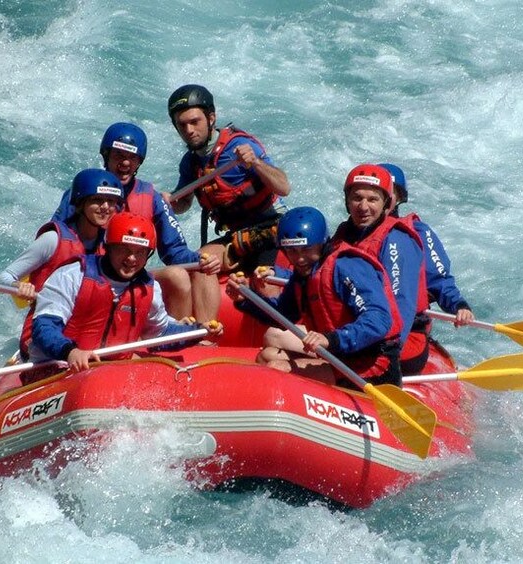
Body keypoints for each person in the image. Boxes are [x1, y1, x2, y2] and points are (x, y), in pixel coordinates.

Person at [226, 207, 403, 388]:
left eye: (306, 249)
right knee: (266, 355)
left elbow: (379, 320)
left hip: (373, 366)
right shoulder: (305, 273)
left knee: (276, 367)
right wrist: (246, 299)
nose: (300, 258)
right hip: (340, 358)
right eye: (292, 251)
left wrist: (331, 339)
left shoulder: (347, 267)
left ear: (322, 243)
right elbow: (284, 315)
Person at [29, 212, 222, 370]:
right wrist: (70, 352)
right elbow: (44, 328)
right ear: (108, 247)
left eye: (140, 252)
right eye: (125, 249)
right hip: (60, 364)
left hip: (110, 368)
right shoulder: (72, 275)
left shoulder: (149, 288)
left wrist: (198, 331)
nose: (132, 259)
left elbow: (159, 335)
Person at [166, 84, 291, 322]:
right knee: (200, 262)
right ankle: (205, 335)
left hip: (271, 230)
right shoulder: (190, 163)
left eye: (195, 122)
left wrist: (255, 163)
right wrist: (168, 201)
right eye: (182, 125)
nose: (189, 130)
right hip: (238, 237)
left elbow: (283, 186)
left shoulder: (238, 146)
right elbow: (183, 203)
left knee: (265, 284)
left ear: (211, 118)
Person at [0, 168, 124, 359]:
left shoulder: (111, 245)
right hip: (44, 332)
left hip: (87, 333)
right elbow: (2, 278)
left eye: (111, 202)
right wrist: (18, 286)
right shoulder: (53, 240)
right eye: (97, 200)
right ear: (81, 203)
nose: (105, 207)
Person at [96, 122, 221, 318]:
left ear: (139, 162)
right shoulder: (84, 191)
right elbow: (62, 237)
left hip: (131, 272)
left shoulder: (152, 198)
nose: (125, 163)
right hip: (94, 275)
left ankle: (185, 340)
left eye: (132, 157)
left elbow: (175, 251)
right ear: (106, 155)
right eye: (119, 155)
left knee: (178, 275)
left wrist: (200, 261)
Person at [331, 164, 431, 375]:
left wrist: (386, 357)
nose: (363, 206)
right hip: (353, 330)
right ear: (347, 202)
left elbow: (400, 304)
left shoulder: (396, 241)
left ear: (386, 203)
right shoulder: (345, 233)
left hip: (393, 345)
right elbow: (319, 275)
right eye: (357, 198)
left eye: (372, 199)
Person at [379, 162, 474, 326]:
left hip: (405, 326)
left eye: (389, 192)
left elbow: (439, 280)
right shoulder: (348, 235)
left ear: (400, 197)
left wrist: (459, 306)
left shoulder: (417, 232)